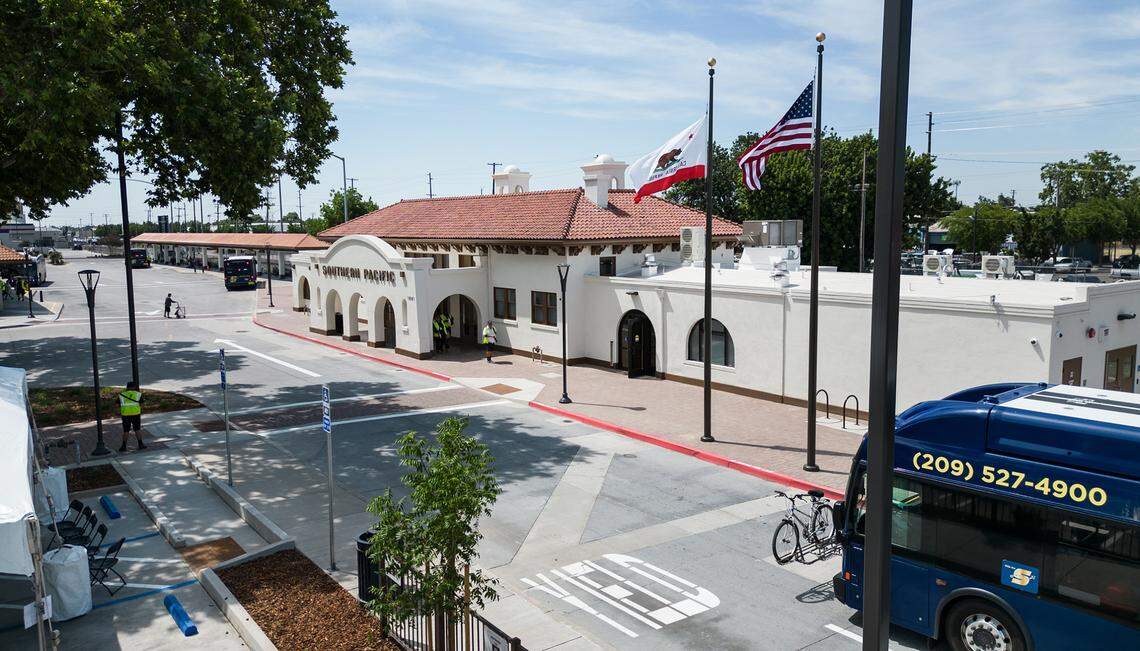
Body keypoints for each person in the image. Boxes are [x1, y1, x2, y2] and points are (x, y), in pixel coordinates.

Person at [118, 381, 146, 452]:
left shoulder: (121, 395)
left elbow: (116, 405)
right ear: (134, 387)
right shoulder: (138, 394)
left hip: (125, 415)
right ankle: (140, 444)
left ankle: (123, 446)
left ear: (127, 387)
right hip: (136, 414)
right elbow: (142, 405)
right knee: (137, 429)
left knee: (126, 430)